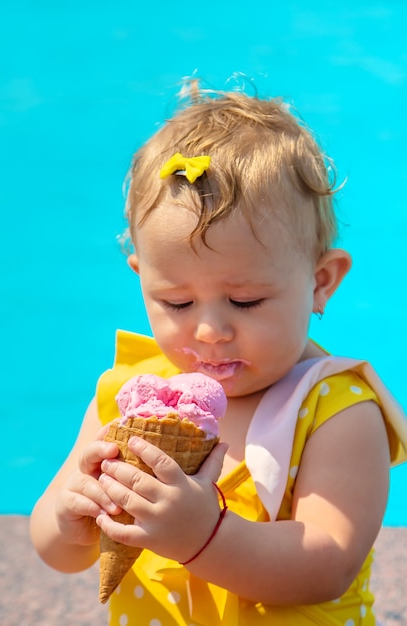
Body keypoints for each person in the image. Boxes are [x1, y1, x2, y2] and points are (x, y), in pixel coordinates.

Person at [30, 81, 407, 626]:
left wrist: (204, 538)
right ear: (141, 279)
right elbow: (56, 550)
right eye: (176, 301)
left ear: (321, 282)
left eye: (245, 300)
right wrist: (69, 520)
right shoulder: (130, 394)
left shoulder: (338, 411)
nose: (209, 330)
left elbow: (329, 564)